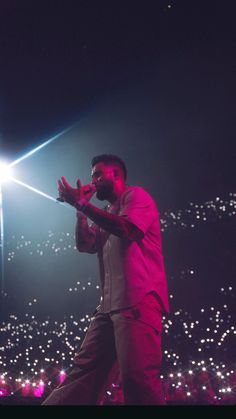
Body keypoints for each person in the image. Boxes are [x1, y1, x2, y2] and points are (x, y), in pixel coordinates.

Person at [42, 154, 169, 405]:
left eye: (99, 174)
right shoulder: (106, 211)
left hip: (137, 302)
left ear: (117, 175)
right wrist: (80, 213)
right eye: (92, 176)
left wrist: (83, 205)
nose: (94, 180)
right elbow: (86, 245)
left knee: (138, 382)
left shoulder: (136, 197)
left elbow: (128, 229)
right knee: (83, 372)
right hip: (109, 307)